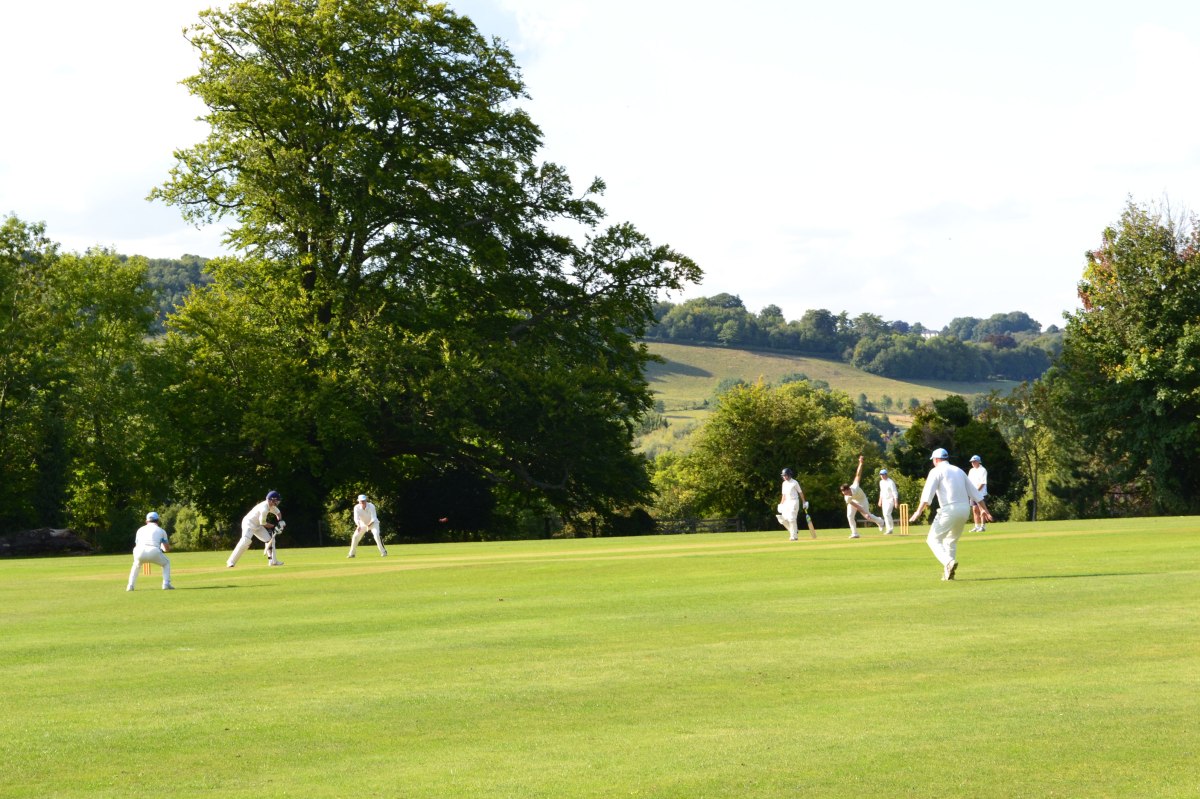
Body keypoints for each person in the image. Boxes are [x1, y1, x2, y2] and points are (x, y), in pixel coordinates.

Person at [909, 448, 993, 581]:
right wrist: (986, 511)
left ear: (936, 460)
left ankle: (948, 562)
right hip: (964, 510)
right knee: (951, 541)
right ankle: (948, 574)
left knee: (932, 539)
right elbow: (976, 494)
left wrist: (918, 511)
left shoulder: (936, 471)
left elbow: (927, 495)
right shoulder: (959, 471)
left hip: (949, 509)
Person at [227, 490, 285, 567]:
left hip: (258, 525)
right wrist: (275, 527)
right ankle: (230, 561)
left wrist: (280, 521)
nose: (277, 502)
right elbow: (263, 523)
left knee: (270, 540)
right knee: (246, 541)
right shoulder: (264, 508)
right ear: (272, 500)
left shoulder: (271, 506)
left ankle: (273, 561)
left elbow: (278, 513)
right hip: (249, 523)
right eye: (276, 500)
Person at [840, 455, 886, 538]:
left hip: (862, 500)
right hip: (854, 502)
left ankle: (880, 521)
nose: (844, 494)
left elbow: (858, 475)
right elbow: (856, 506)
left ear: (848, 489)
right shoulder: (847, 497)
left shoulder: (855, 487)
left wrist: (861, 463)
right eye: (843, 492)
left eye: (844, 492)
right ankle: (855, 533)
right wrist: (863, 512)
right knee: (849, 516)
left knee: (868, 517)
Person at [127, 511, 173, 591]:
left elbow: (137, 544)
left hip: (139, 551)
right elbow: (167, 549)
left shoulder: (140, 530)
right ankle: (166, 584)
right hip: (154, 550)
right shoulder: (161, 531)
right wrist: (163, 548)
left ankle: (130, 586)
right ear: (157, 521)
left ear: (146, 521)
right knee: (166, 563)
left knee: (136, 565)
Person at [349, 493, 388, 558]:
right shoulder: (356, 507)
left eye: (364, 501)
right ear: (358, 501)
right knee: (355, 537)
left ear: (366, 500)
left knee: (376, 535)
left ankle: (383, 552)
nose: (363, 502)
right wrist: (358, 525)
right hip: (362, 524)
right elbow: (356, 518)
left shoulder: (371, 506)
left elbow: (374, 517)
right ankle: (352, 554)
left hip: (374, 523)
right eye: (361, 501)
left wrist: (369, 525)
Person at [775, 468, 809, 541]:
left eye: (785, 475)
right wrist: (781, 504)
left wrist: (804, 502)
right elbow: (784, 495)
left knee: (791, 519)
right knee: (781, 519)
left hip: (794, 501)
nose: (784, 477)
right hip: (786, 502)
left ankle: (794, 536)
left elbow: (800, 492)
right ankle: (794, 530)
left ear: (789, 475)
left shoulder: (794, 482)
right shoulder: (784, 483)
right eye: (783, 476)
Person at [968, 455, 989, 532]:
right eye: (972, 462)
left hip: (981, 493)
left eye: (974, 461)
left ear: (978, 462)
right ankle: (976, 526)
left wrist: (976, 491)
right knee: (974, 509)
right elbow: (969, 482)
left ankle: (983, 526)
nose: (972, 463)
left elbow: (983, 483)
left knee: (982, 509)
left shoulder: (983, 470)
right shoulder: (971, 470)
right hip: (973, 493)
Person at [877, 468, 900, 535]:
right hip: (884, 500)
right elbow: (881, 492)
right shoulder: (881, 482)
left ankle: (890, 529)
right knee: (885, 515)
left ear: (886, 475)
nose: (882, 476)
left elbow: (895, 492)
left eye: (883, 474)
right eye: (881, 475)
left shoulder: (891, 482)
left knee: (887, 514)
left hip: (890, 500)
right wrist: (880, 500)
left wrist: (896, 502)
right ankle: (889, 529)